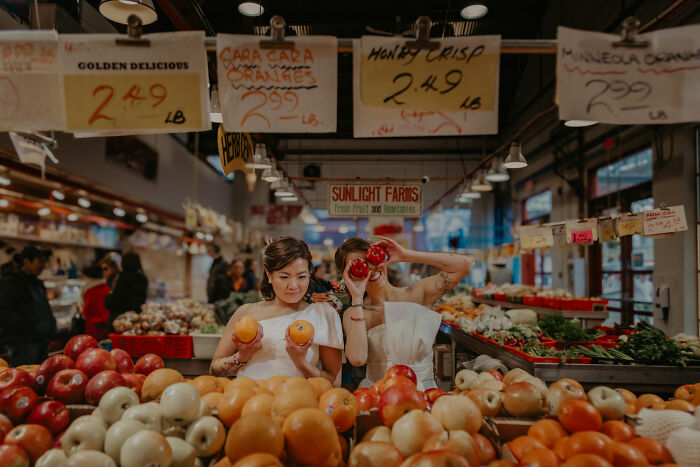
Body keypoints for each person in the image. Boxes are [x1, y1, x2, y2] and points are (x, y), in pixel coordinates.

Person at [336, 237, 473, 389]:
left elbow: (465, 265)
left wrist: (405, 255)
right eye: (359, 265)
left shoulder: (417, 294)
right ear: (347, 275)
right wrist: (356, 296)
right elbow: (357, 358)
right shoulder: (354, 312)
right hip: (376, 395)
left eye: (371, 260)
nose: (370, 269)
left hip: (421, 393)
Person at [210, 237, 343, 384]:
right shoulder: (246, 313)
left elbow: (332, 379)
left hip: (298, 402)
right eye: (284, 277)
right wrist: (242, 356)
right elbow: (214, 371)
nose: (293, 285)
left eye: (301, 276)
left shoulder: (323, 314)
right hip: (249, 401)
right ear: (269, 275)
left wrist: (301, 363)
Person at [0, 246, 56, 366]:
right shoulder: (10, 282)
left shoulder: (37, 283)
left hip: (41, 340)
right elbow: (3, 310)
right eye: (39, 261)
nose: (43, 265)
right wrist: (27, 324)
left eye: (44, 262)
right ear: (26, 262)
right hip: (22, 343)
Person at [105, 252, 148, 325]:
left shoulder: (121, 279)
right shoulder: (143, 279)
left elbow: (114, 300)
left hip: (120, 320)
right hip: (136, 319)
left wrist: (108, 297)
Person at [79, 264, 111, 341]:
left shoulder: (89, 290)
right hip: (106, 323)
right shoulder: (105, 287)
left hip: (94, 326)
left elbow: (88, 309)